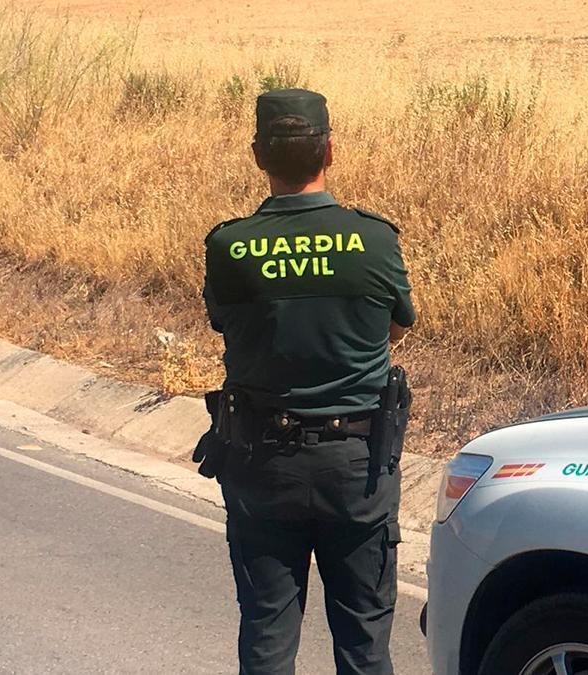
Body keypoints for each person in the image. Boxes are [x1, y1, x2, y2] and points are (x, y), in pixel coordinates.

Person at [197, 88, 415, 675]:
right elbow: (396, 329)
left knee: (268, 631)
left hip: (261, 460)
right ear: (330, 150)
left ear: (258, 155)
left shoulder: (228, 245)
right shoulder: (373, 239)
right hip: (357, 463)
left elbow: (227, 326)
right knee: (365, 642)